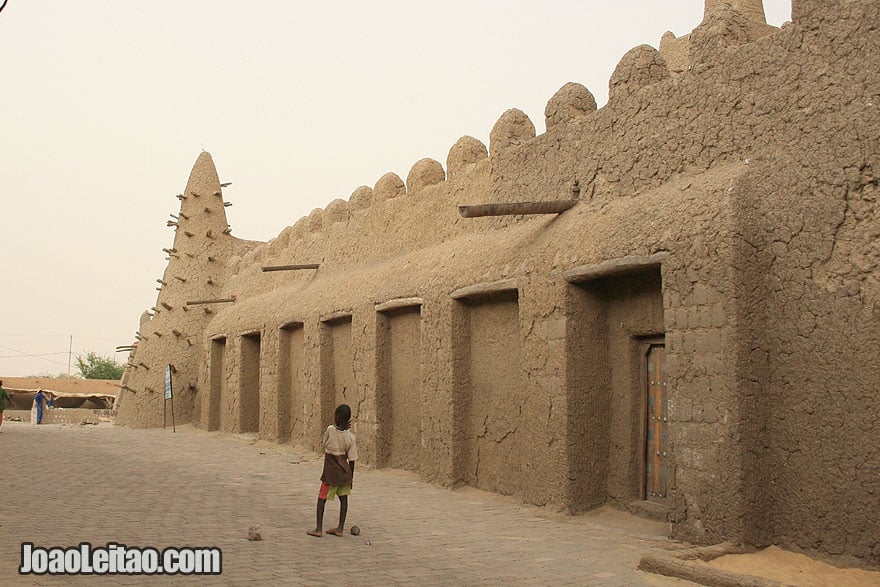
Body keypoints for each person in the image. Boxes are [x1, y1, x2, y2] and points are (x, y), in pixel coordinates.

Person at [307, 404, 358, 537]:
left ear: (338, 417)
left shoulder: (330, 430)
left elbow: (324, 444)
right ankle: (340, 528)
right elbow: (352, 460)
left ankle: (318, 528)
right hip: (344, 475)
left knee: (321, 499)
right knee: (344, 500)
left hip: (330, 475)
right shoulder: (351, 438)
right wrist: (351, 478)